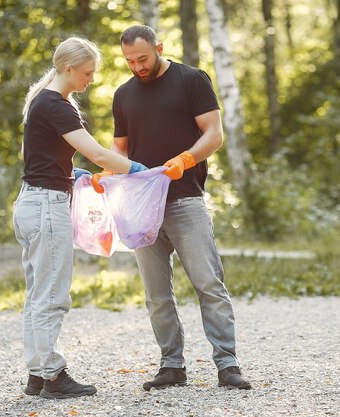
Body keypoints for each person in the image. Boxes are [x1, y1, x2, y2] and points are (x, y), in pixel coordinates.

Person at [100, 24, 251, 390]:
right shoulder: (123, 95)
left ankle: (227, 365)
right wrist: (103, 174)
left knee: (208, 284)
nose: (137, 66)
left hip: (185, 200)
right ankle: (172, 366)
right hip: (140, 207)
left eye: (143, 58)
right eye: (129, 61)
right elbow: (120, 151)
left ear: (159, 48)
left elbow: (214, 134)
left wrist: (186, 158)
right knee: (156, 294)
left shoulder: (191, 80)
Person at [13, 36, 147, 400]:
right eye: (87, 72)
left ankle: (37, 375)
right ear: (68, 68)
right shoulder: (57, 105)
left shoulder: (41, 102)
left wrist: (72, 175)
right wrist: (140, 170)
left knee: (37, 295)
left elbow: (36, 156)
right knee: (52, 296)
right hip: (46, 207)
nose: (91, 79)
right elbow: (97, 151)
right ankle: (53, 375)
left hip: (31, 202)